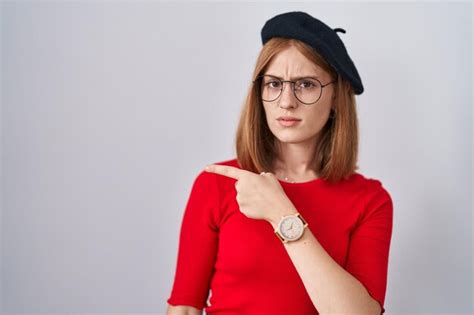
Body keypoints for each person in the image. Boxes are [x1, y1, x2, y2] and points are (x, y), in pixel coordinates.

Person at [166, 11, 393, 315]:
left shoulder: (370, 201)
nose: (286, 101)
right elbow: (184, 309)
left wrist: (282, 214)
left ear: (337, 97)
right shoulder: (218, 183)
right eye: (274, 84)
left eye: (306, 84)